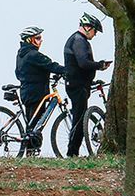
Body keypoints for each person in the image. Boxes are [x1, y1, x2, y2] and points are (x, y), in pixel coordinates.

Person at [62, 13, 110, 157]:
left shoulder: (79, 40)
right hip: (77, 85)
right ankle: (72, 153)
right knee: (79, 120)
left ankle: (73, 152)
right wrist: (99, 65)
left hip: (80, 83)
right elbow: (83, 63)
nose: (95, 34)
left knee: (80, 118)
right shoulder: (79, 40)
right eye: (95, 31)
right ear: (88, 27)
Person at [14, 25, 64, 154]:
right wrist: (68, 70)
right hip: (36, 93)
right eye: (37, 38)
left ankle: (31, 152)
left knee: (32, 124)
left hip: (26, 91)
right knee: (36, 125)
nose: (41, 40)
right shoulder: (34, 55)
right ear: (29, 40)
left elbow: (18, 73)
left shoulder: (21, 55)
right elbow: (51, 65)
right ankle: (32, 150)